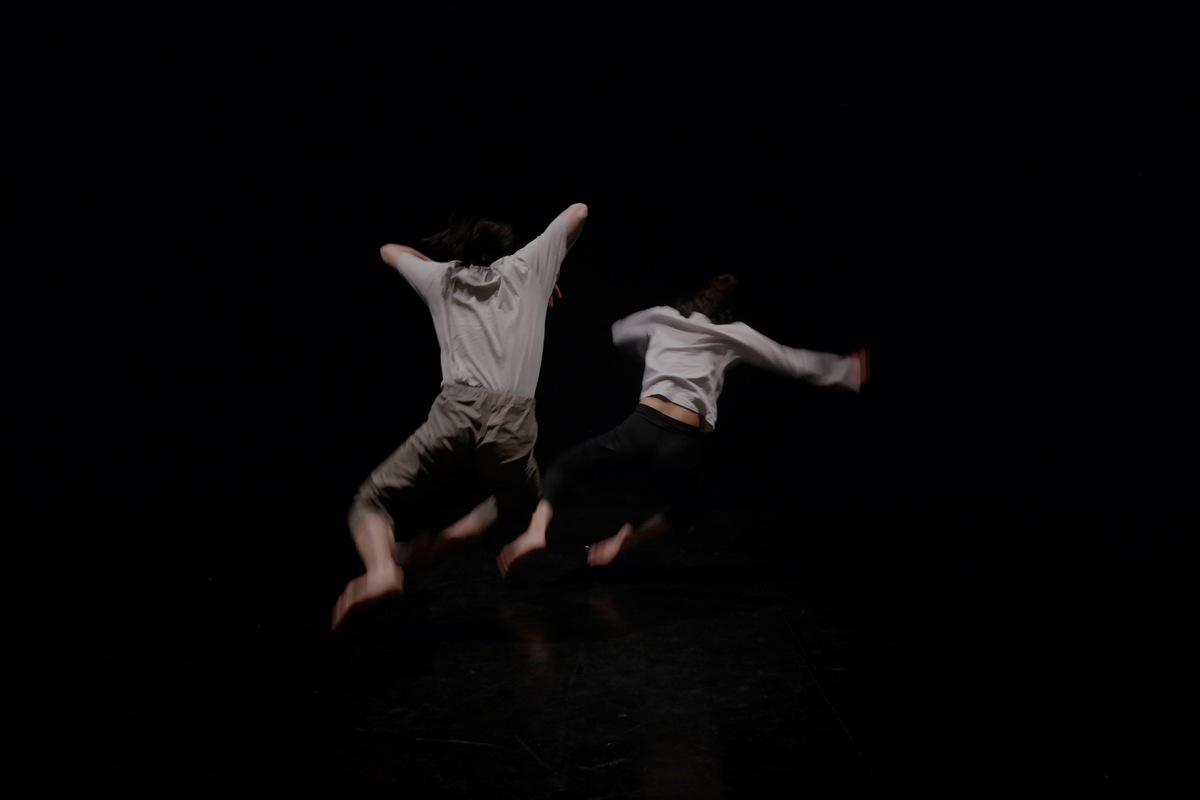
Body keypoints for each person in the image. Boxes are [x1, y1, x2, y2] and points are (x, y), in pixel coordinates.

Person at [496, 272, 869, 575]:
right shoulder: (732, 334)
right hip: (680, 443)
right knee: (691, 505)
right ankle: (624, 541)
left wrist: (652, 352)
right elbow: (789, 360)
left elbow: (620, 330)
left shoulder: (661, 316)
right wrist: (847, 370)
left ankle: (535, 533)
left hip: (639, 428)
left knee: (563, 468)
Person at [332, 202, 589, 630]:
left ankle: (381, 571)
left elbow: (389, 250)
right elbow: (579, 211)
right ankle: (441, 546)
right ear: (504, 246)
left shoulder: (442, 278)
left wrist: (434, 265)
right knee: (521, 502)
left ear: (459, 250)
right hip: (514, 426)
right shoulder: (527, 266)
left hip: (455, 414)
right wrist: (550, 270)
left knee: (372, 500)